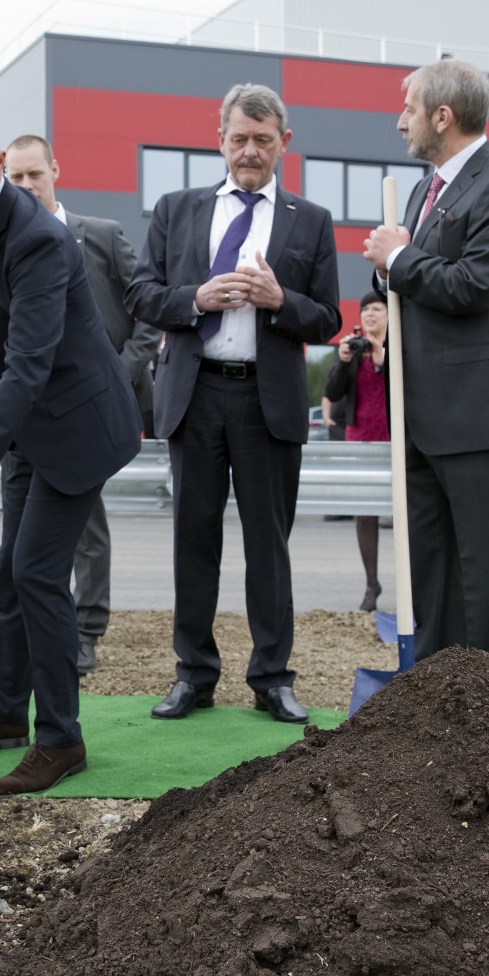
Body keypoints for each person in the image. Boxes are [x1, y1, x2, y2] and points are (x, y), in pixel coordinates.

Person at [0, 104, 141, 796]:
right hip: (26, 426)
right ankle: (5, 711)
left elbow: (28, 364)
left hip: (74, 426)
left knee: (38, 572)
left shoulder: (41, 238)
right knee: (13, 572)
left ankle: (61, 738)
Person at [126, 83, 342, 725]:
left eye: (263, 140)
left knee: (268, 546)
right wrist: (196, 298)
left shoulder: (312, 220)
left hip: (267, 401)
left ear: (284, 143)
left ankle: (272, 677)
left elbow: (329, 319)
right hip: (195, 395)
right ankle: (193, 674)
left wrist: (280, 301)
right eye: (240, 138)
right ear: (220, 139)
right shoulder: (177, 209)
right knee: (193, 541)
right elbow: (141, 293)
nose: (251, 151)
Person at [362, 59, 489, 671]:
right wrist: (389, 264)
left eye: (409, 109)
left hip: (479, 414)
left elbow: (473, 286)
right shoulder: (424, 188)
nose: (400, 121)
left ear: (443, 116)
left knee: (486, 564)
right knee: (429, 562)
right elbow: (410, 278)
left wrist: (400, 256)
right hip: (423, 412)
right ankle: (435, 696)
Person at [3, 133, 160, 676]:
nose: (25, 187)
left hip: (94, 411)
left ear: (55, 172)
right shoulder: (5, 245)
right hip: (33, 414)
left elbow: (148, 308)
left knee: (86, 523)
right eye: (15, 178)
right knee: (28, 536)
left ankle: (87, 629)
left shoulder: (100, 235)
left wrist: (121, 368)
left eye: (34, 176)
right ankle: (41, 633)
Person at [323, 289, 391, 611]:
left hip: (395, 441)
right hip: (359, 440)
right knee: (365, 516)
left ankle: (415, 583)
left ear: (390, 315)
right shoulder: (353, 350)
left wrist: (382, 360)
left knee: (410, 516)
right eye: (365, 311)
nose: (370, 315)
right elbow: (332, 392)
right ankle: (371, 585)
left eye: (377, 309)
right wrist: (342, 361)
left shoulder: (397, 349)